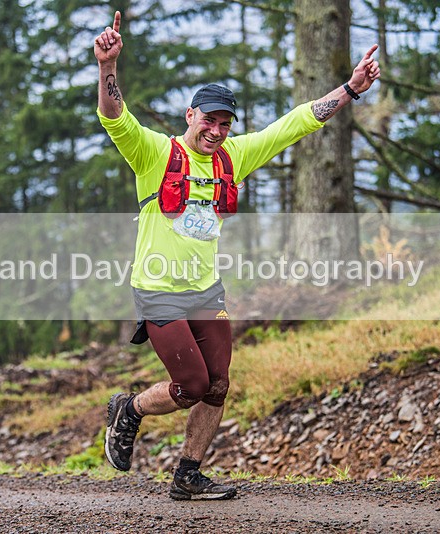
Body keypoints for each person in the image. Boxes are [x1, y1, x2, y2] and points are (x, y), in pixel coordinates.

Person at [95, 10, 380, 500]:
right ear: (191, 116)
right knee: (189, 384)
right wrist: (107, 67)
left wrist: (349, 89)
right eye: (210, 120)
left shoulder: (234, 156)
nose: (218, 131)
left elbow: (294, 124)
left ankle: (187, 476)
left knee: (219, 385)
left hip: (206, 290)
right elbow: (114, 116)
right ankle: (132, 409)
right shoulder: (154, 154)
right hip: (160, 289)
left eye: (226, 123)